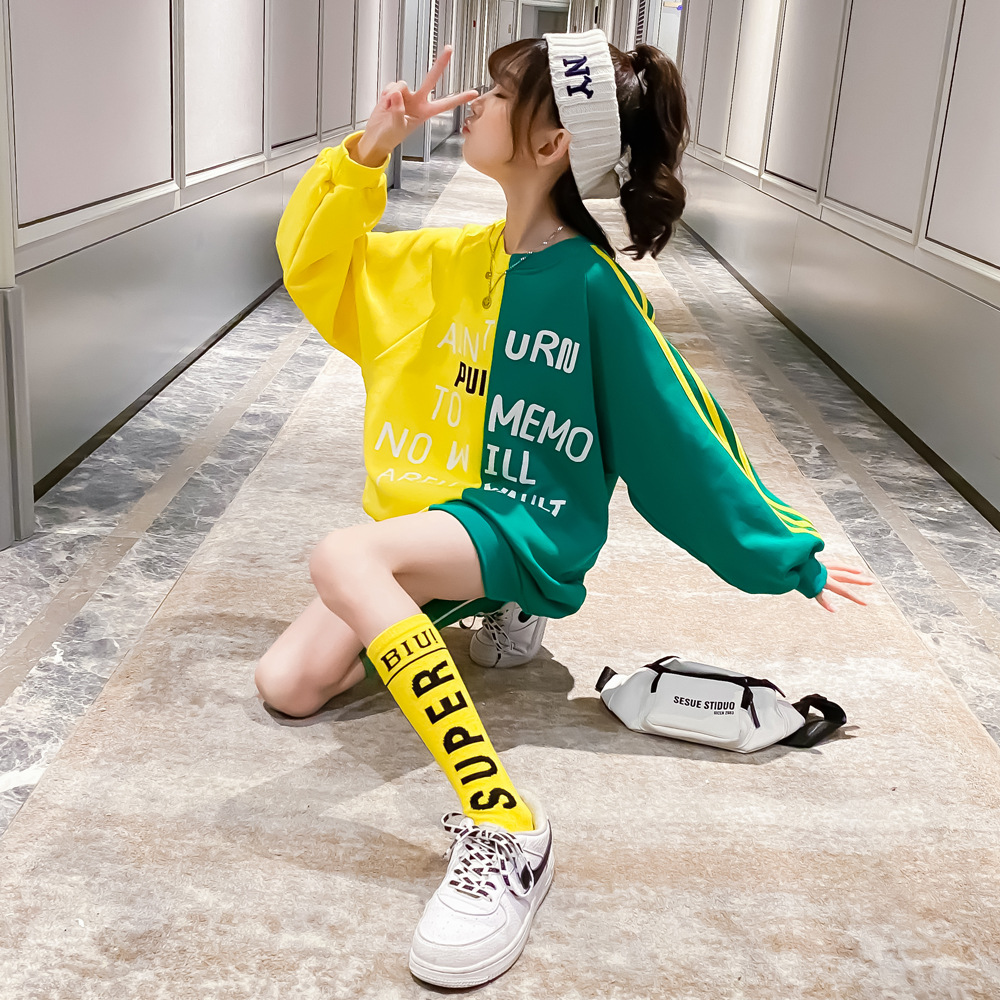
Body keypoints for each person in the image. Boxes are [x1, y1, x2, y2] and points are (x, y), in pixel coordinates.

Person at [256, 30, 873, 987]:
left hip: (524, 521)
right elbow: (320, 271)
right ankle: (468, 602)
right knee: (289, 684)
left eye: (500, 94)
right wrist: (366, 153)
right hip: (439, 519)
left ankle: (505, 824)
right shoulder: (454, 257)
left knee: (345, 558)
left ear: (550, 143)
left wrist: (785, 549)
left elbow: (680, 434)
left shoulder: (593, 285)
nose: (475, 103)